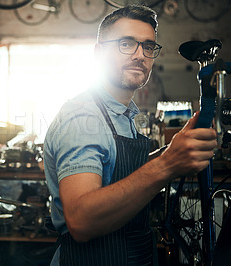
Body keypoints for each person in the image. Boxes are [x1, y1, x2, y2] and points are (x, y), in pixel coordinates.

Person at [43, 5, 218, 266]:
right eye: (126, 44)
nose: (140, 55)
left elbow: (119, 174)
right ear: (99, 53)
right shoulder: (83, 117)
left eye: (148, 46)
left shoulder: (123, 114)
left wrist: (172, 151)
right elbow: (81, 220)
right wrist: (168, 164)